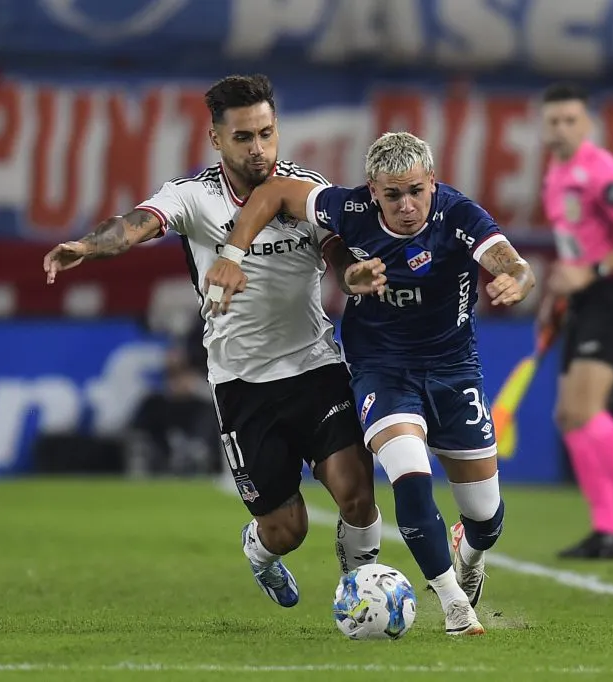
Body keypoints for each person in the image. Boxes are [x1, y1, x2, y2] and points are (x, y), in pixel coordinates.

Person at [42, 74, 386, 609]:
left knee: (356, 492)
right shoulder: (192, 196)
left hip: (316, 366)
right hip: (242, 383)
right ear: (216, 139)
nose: (259, 149)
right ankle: (259, 552)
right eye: (245, 137)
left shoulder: (304, 186)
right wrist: (88, 246)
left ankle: (362, 595)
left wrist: (354, 276)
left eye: (267, 134)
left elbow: (339, 256)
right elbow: (132, 225)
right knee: (286, 528)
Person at [203, 131, 535, 636]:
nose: (406, 205)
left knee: (486, 515)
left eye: (416, 191)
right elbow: (272, 193)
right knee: (408, 471)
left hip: (453, 371)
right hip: (382, 369)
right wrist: (232, 252)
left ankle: (469, 552)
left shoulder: (459, 216)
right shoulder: (348, 208)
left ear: (433, 183)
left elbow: (509, 259)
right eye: (392, 194)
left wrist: (515, 277)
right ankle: (452, 605)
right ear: (372, 191)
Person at [539, 82, 613, 559]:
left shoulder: (600, 169)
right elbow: (576, 245)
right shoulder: (554, 170)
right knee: (568, 416)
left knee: (586, 411)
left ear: (587, 124)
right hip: (584, 298)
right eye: (553, 121)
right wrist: (558, 295)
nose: (561, 129)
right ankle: (606, 525)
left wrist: (588, 272)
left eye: (571, 120)